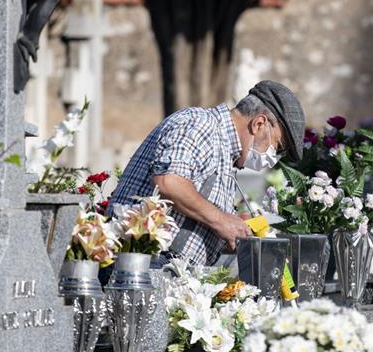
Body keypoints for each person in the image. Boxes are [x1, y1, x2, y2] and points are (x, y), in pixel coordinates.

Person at [107, 80, 305, 269]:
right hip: (142, 264)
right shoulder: (201, 124)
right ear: (259, 124)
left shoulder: (227, 155)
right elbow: (168, 181)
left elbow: (197, 220)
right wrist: (222, 220)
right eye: (278, 147)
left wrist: (237, 231)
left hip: (168, 268)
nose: (275, 157)